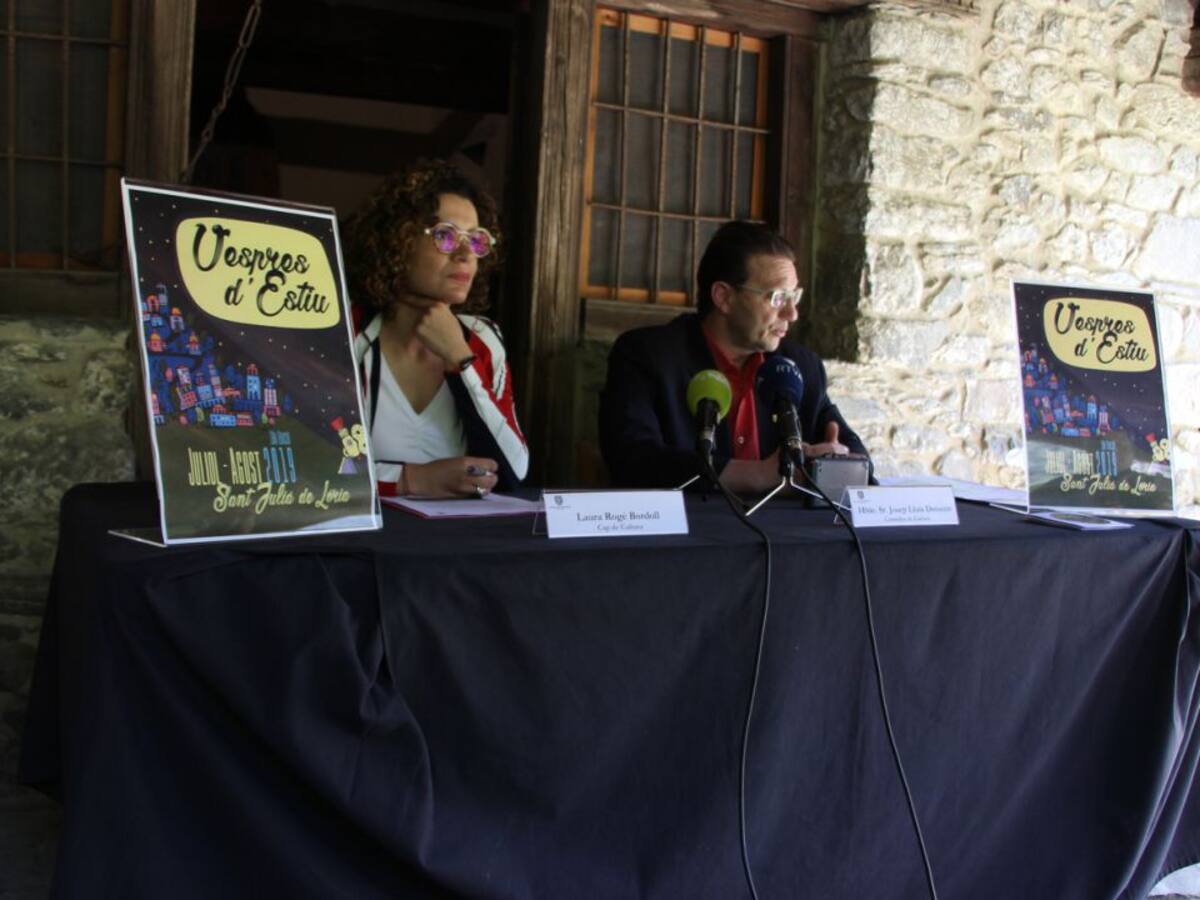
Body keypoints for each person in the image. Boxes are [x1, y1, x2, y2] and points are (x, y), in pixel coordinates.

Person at [598, 220, 867, 493]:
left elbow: (859, 461)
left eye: (794, 296)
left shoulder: (799, 366)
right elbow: (632, 460)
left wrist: (835, 459)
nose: (792, 313)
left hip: (780, 521)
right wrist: (761, 474)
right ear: (723, 297)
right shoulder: (648, 355)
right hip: (691, 519)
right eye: (777, 298)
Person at [344, 158, 528, 498]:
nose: (466, 254)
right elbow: (312, 464)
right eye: (445, 235)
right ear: (398, 241)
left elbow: (515, 470)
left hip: (455, 533)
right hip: (362, 530)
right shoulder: (345, 332)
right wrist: (412, 480)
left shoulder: (483, 339)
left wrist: (461, 359)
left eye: (476, 240)